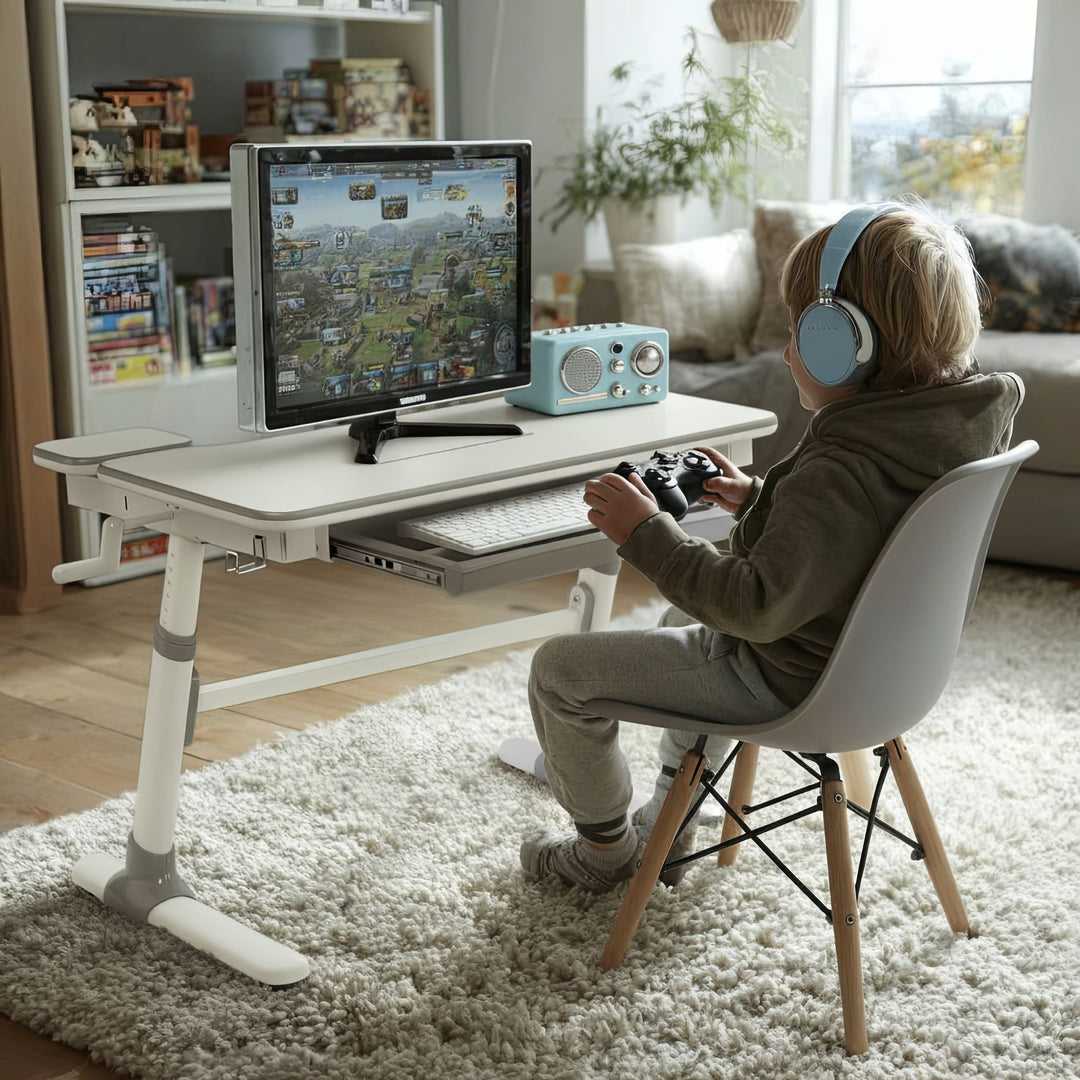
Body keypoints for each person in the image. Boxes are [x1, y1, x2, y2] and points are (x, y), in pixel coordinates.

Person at [520, 199, 1025, 893]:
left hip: (784, 677)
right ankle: (674, 815)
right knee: (675, 623)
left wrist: (646, 534)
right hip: (886, 675)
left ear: (839, 341)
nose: (790, 350)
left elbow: (753, 606)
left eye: (800, 332)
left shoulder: (841, 467)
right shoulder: (945, 428)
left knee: (558, 672)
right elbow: (866, 542)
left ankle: (603, 854)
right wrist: (761, 500)